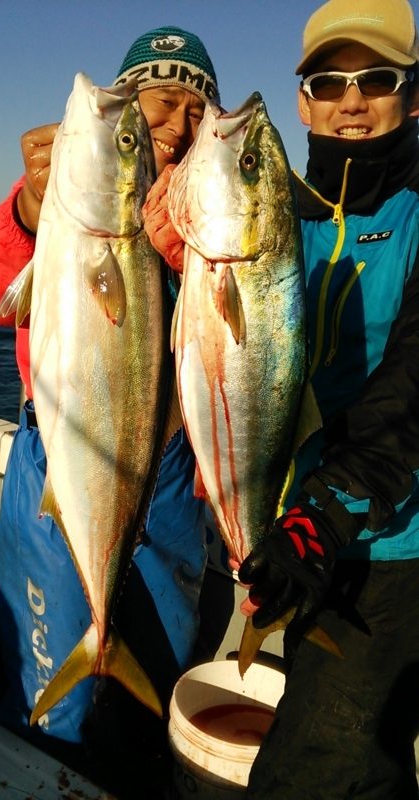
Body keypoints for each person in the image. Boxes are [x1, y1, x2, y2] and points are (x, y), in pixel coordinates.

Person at [144, 0, 419, 797]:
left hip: (386, 554)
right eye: (330, 81)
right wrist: (173, 260)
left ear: (413, 94)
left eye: (377, 78)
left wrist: (325, 514)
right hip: (298, 539)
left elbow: (408, 394)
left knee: (314, 776)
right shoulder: (289, 221)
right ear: (305, 102)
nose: (352, 99)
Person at [0, 25, 219, 791]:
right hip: (66, 457)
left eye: (194, 113)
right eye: (158, 102)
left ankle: (142, 763)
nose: (174, 127)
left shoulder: (211, 223)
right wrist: (33, 209)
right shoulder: (56, 211)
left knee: (165, 659)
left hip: (169, 475)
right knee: (55, 689)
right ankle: (47, 764)